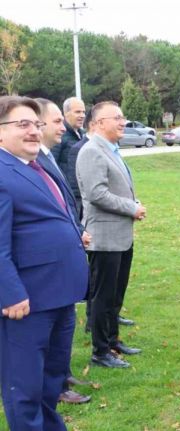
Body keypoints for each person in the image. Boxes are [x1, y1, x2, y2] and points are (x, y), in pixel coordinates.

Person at [0, 95, 89, 430]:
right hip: (26, 302)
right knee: (24, 389)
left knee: (52, 381)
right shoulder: (3, 172)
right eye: (22, 124)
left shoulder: (39, 167)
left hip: (61, 295)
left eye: (36, 124)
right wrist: (9, 293)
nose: (33, 131)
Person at [76, 101, 145, 368]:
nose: (122, 122)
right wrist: (132, 208)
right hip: (104, 237)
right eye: (116, 117)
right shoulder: (92, 151)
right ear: (98, 122)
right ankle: (100, 351)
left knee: (116, 294)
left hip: (120, 235)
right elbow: (96, 194)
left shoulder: (111, 149)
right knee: (103, 297)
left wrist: (133, 202)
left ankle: (113, 341)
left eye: (122, 116)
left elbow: (116, 187)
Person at [34, 98, 93, 405]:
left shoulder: (47, 156)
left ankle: (61, 374)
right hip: (46, 269)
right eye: (57, 121)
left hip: (65, 257)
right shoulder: (33, 161)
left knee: (64, 327)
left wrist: (76, 230)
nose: (63, 125)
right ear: (38, 123)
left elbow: (63, 202)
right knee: (48, 333)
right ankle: (54, 387)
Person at [51, 97, 86, 176]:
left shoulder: (83, 135)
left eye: (83, 112)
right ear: (66, 113)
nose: (82, 115)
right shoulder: (59, 134)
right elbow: (52, 164)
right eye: (78, 112)